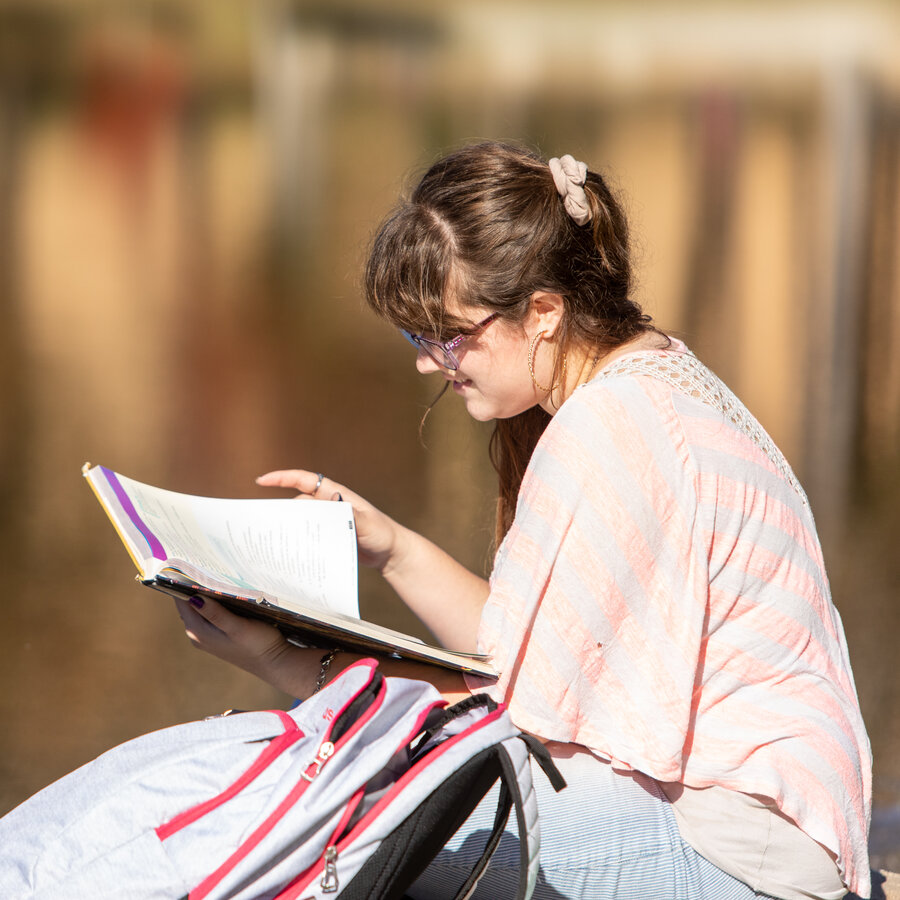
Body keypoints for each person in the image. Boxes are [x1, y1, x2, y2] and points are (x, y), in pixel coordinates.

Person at [175, 141, 872, 900]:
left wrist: (285, 663)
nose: (428, 362)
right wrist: (393, 547)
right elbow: (526, 653)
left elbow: (504, 721)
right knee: (332, 804)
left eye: (445, 333)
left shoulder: (610, 429)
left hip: (737, 846)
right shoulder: (648, 376)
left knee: (331, 824)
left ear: (542, 311)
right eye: (417, 337)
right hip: (763, 823)